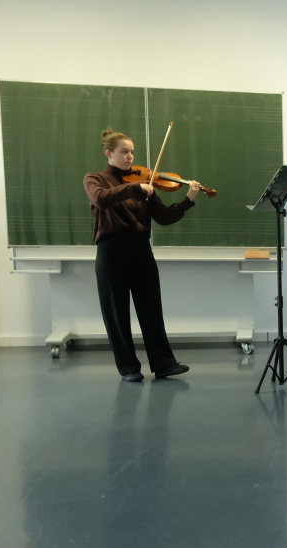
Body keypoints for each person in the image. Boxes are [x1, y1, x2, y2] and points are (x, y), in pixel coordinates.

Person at [84, 129, 201, 382]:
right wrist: (133, 188)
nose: (130, 157)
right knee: (117, 314)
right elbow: (100, 199)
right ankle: (128, 368)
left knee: (151, 309)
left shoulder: (145, 185)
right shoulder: (95, 179)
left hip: (140, 250)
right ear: (109, 153)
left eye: (132, 152)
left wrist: (188, 199)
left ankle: (164, 364)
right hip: (112, 252)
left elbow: (165, 218)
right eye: (124, 151)